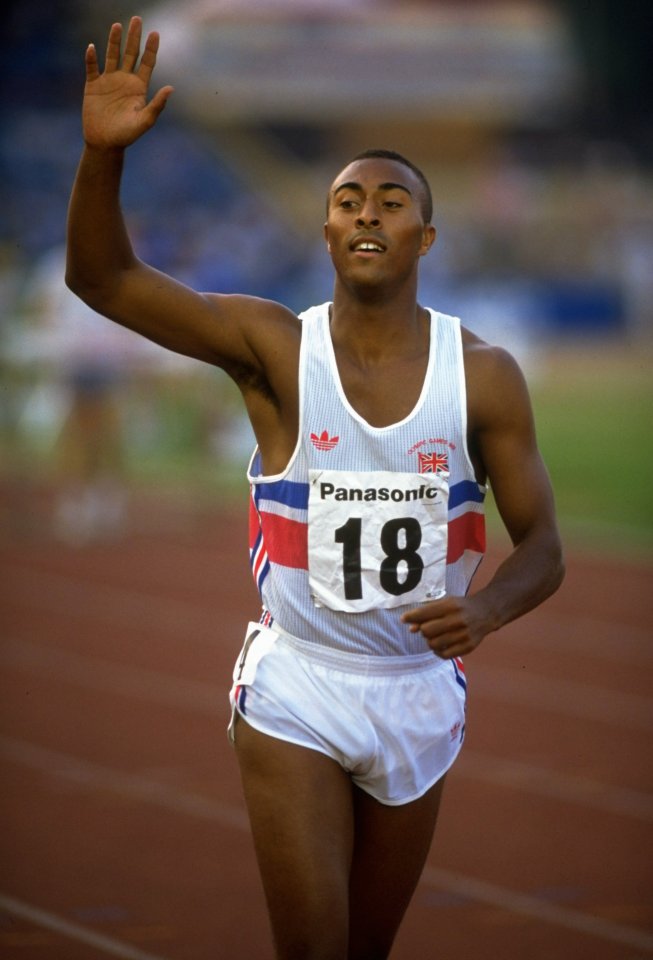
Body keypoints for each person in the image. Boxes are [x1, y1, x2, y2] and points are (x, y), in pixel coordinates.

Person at [66, 18, 565, 960]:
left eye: (389, 201)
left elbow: (544, 544)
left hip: (417, 692)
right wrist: (102, 160)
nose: (366, 212)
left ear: (426, 231)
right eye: (346, 199)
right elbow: (103, 278)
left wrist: (490, 610)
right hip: (299, 683)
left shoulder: (485, 375)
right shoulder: (274, 348)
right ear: (326, 226)